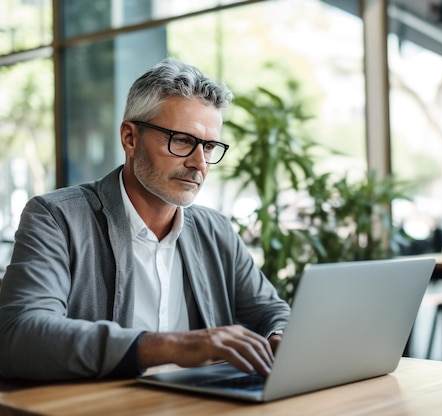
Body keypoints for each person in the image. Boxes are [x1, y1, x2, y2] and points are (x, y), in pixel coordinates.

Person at [0, 58, 291, 381]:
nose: (199, 164)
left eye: (208, 147)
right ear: (130, 138)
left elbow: (272, 312)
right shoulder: (57, 217)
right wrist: (170, 346)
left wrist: (280, 337)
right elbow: (20, 335)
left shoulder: (216, 229)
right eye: (182, 140)